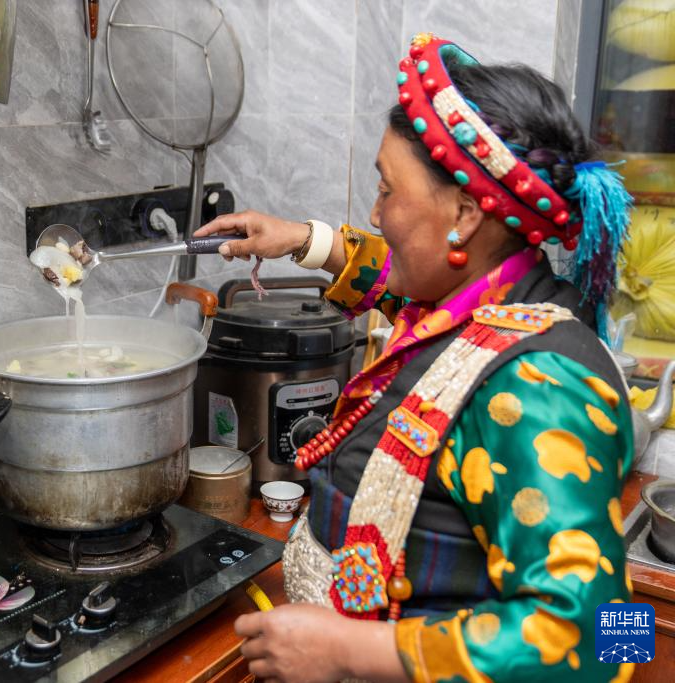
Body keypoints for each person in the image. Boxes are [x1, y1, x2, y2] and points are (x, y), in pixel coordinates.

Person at [196, 34, 635, 683]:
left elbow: (607, 638)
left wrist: (346, 650)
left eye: (387, 189)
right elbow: (403, 282)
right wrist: (303, 240)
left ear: (464, 214)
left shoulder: (539, 383)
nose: (375, 213)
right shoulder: (484, 295)